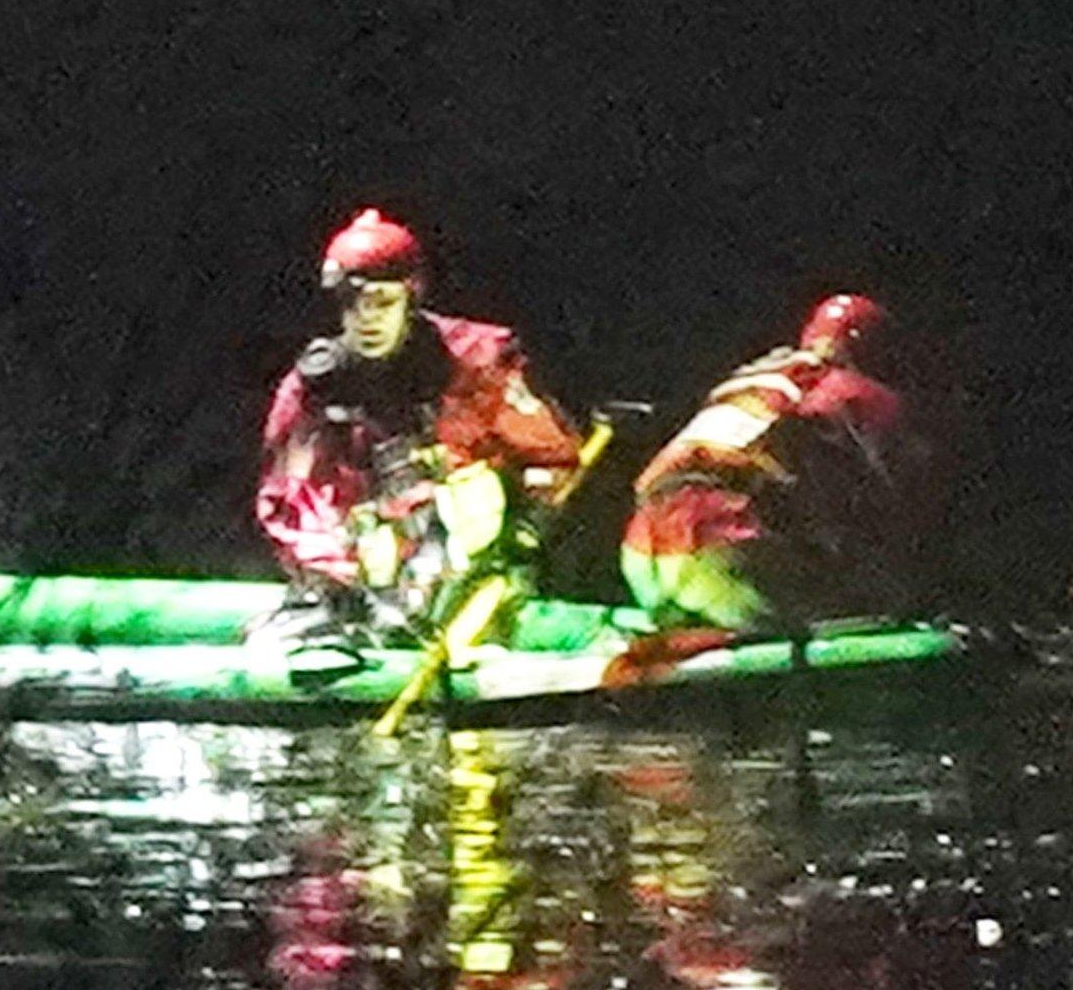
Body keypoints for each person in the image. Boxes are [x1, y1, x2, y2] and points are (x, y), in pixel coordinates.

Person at [252, 208, 599, 672]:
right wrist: (338, 573)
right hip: (362, 565)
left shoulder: (477, 364)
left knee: (468, 496)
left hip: (468, 560)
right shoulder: (314, 388)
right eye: (352, 303)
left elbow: (552, 456)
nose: (366, 319)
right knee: (283, 631)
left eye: (381, 302)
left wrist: (527, 529)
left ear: (410, 299)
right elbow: (290, 500)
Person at [618, 293, 926, 654]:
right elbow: (904, 501)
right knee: (873, 613)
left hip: (639, 551)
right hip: (721, 549)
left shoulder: (751, 376)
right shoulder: (858, 391)